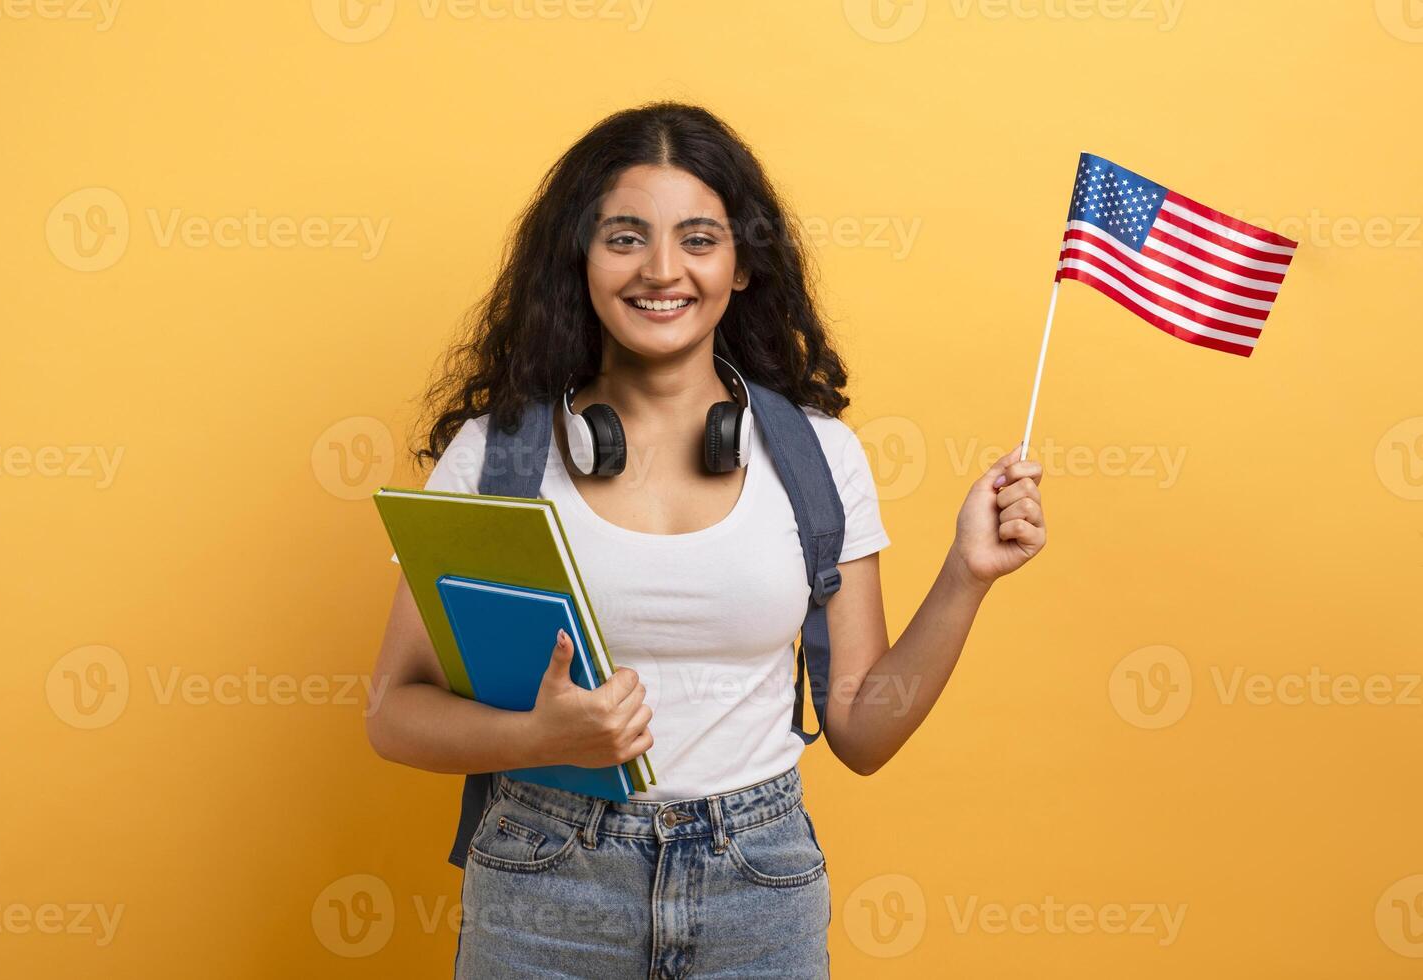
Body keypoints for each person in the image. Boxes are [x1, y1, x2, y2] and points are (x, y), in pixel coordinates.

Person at [365, 100, 1047, 978]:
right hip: (544, 879)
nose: (661, 270)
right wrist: (543, 738)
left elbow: (863, 735)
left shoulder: (816, 455)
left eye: (697, 238)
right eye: (623, 238)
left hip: (757, 884)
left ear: (743, 265)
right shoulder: (498, 457)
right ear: (578, 260)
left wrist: (967, 574)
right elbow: (393, 713)